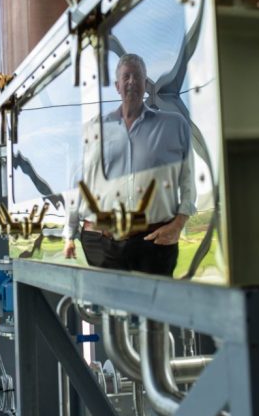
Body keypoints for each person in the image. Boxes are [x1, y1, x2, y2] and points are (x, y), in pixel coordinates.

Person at [64, 53, 196, 276]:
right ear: (117, 86)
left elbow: (188, 179)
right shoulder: (94, 129)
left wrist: (179, 224)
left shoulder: (174, 125)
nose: (132, 82)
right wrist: (70, 233)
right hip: (99, 243)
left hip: (153, 243)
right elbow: (79, 182)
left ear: (146, 84)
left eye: (137, 77)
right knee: (105, 309)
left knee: (156, 309)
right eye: (126, 77)